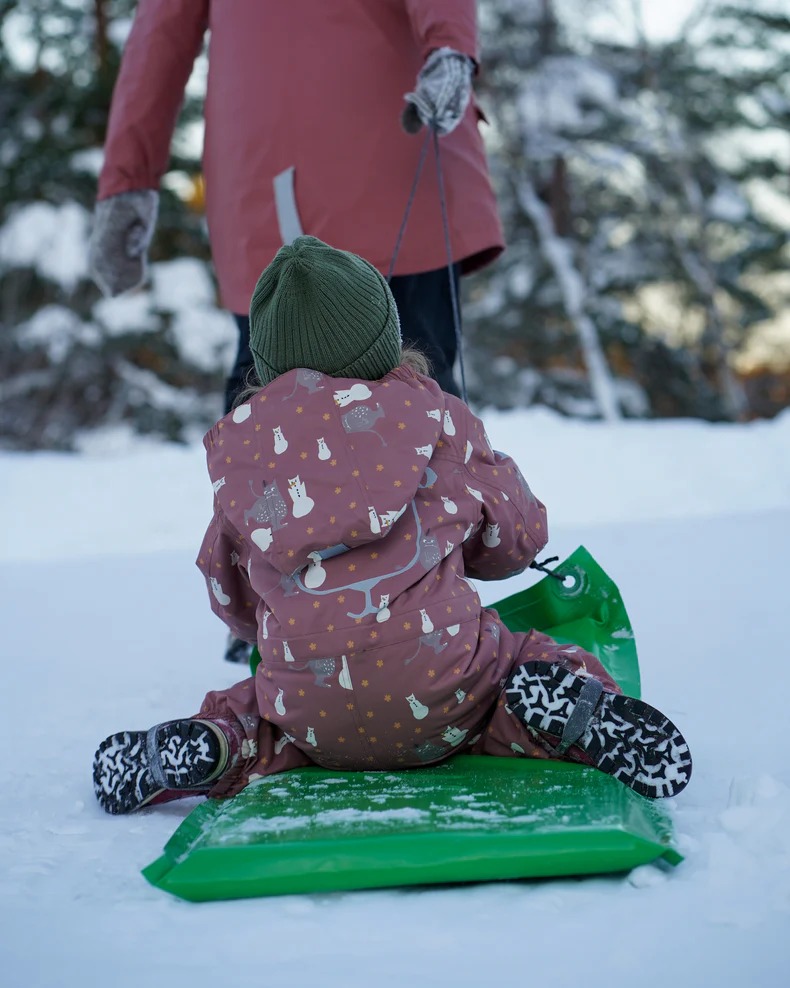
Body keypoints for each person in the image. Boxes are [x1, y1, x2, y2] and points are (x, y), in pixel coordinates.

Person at [92, 238, 692, 815]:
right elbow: (517, 539)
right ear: (385, 337)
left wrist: (283, 623)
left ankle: (218, 743)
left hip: (311, 713)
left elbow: (228, 588)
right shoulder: (433, 419)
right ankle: (559, 712)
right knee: (519, 670)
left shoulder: (246, 456)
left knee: (262, 719)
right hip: (446, 690)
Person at [87, 0, 504, 408]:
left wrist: (128, 178)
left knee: (272, 410)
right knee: (415, 394)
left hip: (293, 177)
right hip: (383, 160)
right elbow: (161, 35)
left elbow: (159, 38)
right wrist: (450, 45)